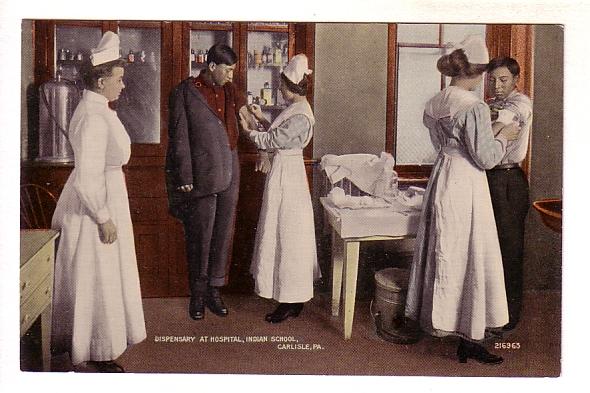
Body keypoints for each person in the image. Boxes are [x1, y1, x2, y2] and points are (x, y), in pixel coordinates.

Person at [403, 35, 521, 364]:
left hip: (443, 175)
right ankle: (469, 337)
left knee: (447, 251)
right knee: (470, 253)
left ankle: (444, 321)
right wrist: (503, 134)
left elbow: (451, 142)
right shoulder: (473, 106)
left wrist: (487, 132)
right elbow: (484, 157)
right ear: (478, 72)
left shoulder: (436, 101)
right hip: (468, 181)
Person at [51, 31, 146, 373]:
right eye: (119, 79)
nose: (123, 85)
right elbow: (89, 174)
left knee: (105, 274)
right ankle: (93, 349)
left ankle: (99, 346)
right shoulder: (92, 115)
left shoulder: (99, 108)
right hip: (95, 205)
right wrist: (103, 217)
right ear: (103, 80)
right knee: (97, 276)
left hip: (107, 195)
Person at [239, 54, 320, 323]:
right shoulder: (296, 110)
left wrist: (248, 130)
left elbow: (274, 139)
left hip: (289, 176)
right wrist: (262, 118)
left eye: (282, 87)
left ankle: (290, 298)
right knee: (284, 233)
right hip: (285, 171)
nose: (280, 91)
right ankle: (291, 298)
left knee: (288, 235)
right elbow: (278, 133)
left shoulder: (301, 115)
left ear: (291, 88)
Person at [166, 44, 240, 320]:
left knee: (223, 236)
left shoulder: (230, 90)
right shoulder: (185, 92)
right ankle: (197, 295)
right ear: (212, 67)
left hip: (231, 173)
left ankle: (214, 291)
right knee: (201, 237)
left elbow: (239, 118)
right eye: (228, 70)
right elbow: (179, 137)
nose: (232, 75)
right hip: (201, 176)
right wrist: (184, 175)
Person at [486, 57, 533, 332]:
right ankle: (492, 313)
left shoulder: (521, 103)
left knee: (509, 250)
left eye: (503, 80)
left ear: (516, 79)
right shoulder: (490, 105)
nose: (497, 85)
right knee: (490, 249)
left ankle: (508, 318)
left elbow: (508, 121)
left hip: (508, 180)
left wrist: (485, 120)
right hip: (489, 179)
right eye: (492, 80)